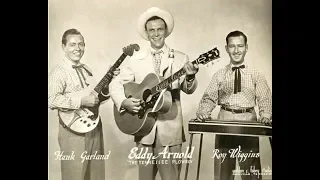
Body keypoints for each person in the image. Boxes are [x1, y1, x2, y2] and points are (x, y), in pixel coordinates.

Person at [109, 7, 199, 180]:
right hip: (143, 129)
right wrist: (123, 102)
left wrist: (190, 76)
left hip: (170, 129)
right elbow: (116, 83)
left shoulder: (180, 58)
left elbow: (188, 89)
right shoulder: (136, 59)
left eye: (160, 29)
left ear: (166, 31)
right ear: (146, 33)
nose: (156, 34)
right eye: (152, 30)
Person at [196, 30, 272, 180]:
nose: (236, 51)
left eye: (240, 46)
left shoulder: (256, 74)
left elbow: (265, 97)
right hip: (225, 119)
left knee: (250, 171)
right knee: (223, 170)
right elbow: (209, 98)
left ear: (246, 48)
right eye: (232, 46)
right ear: (226, 49)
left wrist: (266, 114)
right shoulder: (219, 74)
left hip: (249, 120)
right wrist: (203, 111)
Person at [48, 28, 120, 180]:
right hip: (72, 131)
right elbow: (51, 99)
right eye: (73, 44)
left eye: (81, 44)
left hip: (93, 127)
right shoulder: (58, 72)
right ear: (63, 47)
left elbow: (95, 99)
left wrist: (108, 82)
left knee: (96, 175)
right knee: (74, 175)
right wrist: (81, 101)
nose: (78, 49)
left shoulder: (86, 69)